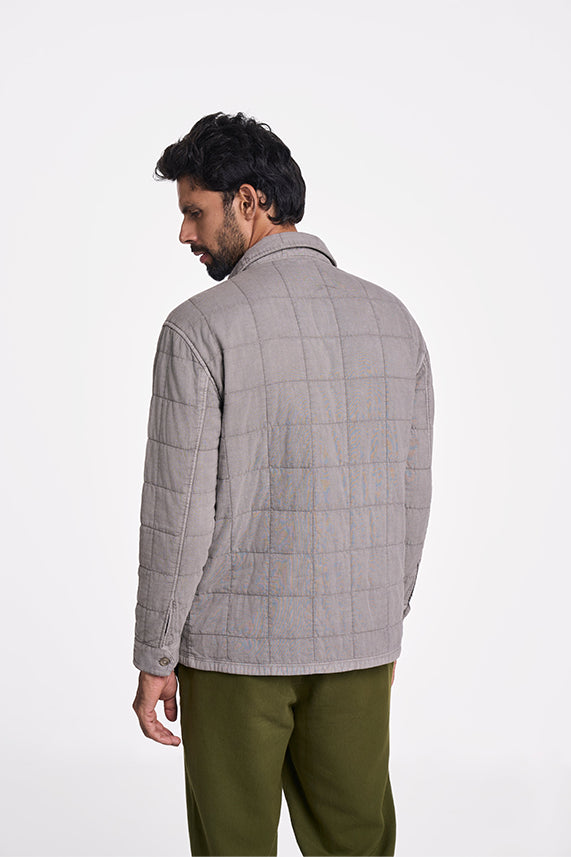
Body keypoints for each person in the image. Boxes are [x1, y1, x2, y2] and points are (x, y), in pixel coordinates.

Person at [132, 111, 435, 856]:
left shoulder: (199, 328)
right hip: (358, 644)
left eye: (194, 212)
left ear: (248, 200)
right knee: (357, 843)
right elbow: (411, 496)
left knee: (232, 846)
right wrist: (384, 622)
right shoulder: (393, 321)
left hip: (234, 653)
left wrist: (155, 656)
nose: (185, 234)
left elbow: (179, 512)